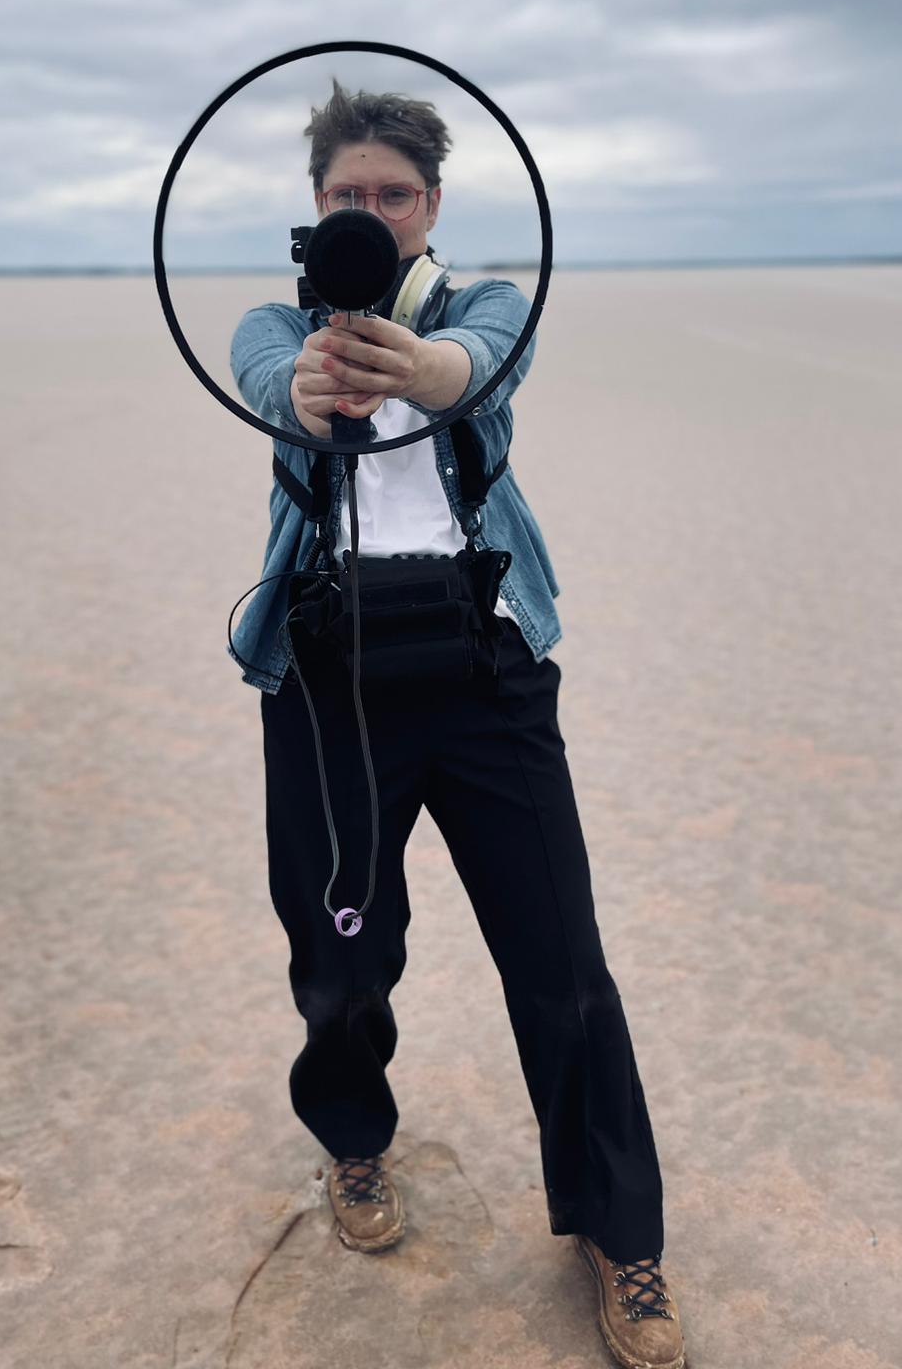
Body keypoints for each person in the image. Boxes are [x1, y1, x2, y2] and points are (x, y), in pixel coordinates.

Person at [228, 80, 687, 1369]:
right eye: (343, 196)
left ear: (431, 206)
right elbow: (279, 387)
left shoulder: (480, 302)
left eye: (391, 194)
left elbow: (483, 364)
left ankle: (621, 1234)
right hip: (330, 684)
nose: (367, 211)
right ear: (311, 212)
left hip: (487, 675)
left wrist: (421, 366)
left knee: (563, 963)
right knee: (339, 962)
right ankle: (357, 1152)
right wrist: (323, 382)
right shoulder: (278, 322)